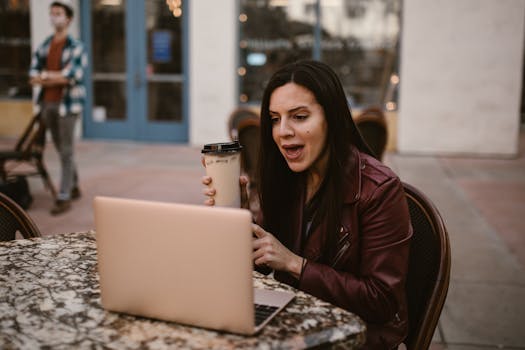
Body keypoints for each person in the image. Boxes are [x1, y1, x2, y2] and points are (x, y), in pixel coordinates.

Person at [202, 60, 412, 349]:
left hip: (358, 337)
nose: (283, 131)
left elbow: (382, 301)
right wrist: (238, 220)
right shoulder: (287, 175)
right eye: (275, 119)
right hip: (298, 321)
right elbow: (263, 264)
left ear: (332, 119)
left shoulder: (379, 189)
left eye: (299, 117)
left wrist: (294, 264)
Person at [29, 0, 87, 215]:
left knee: (66, 150)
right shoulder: (45, 45)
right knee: (62, 149)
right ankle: (74, 185)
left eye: (59, 13)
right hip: (48, 104)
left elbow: (72, 77)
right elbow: (32, 74)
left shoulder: (77, 46)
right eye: (52, 13)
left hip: (68, 105)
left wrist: (45, 76)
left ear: (68, 18)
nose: (54, 17)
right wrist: (53, 77)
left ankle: (64, 196)